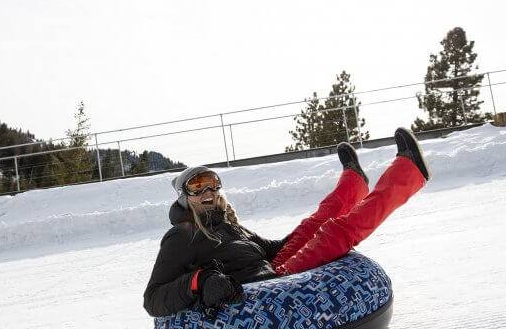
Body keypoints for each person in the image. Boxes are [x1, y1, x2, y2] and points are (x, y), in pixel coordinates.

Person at [142, 127, 430, 317]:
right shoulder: (181, 237)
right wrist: (199, 280)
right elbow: (153, 299)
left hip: (273, 270)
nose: (208, 192)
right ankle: (407, 174)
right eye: (198, 186)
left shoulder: (226, 223)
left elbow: (270, 249)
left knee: (312, 227)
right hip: (258, 291)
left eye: (212, 184)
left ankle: (353, 184)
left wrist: (305, 234)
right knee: (335, 234)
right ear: (184, 196)